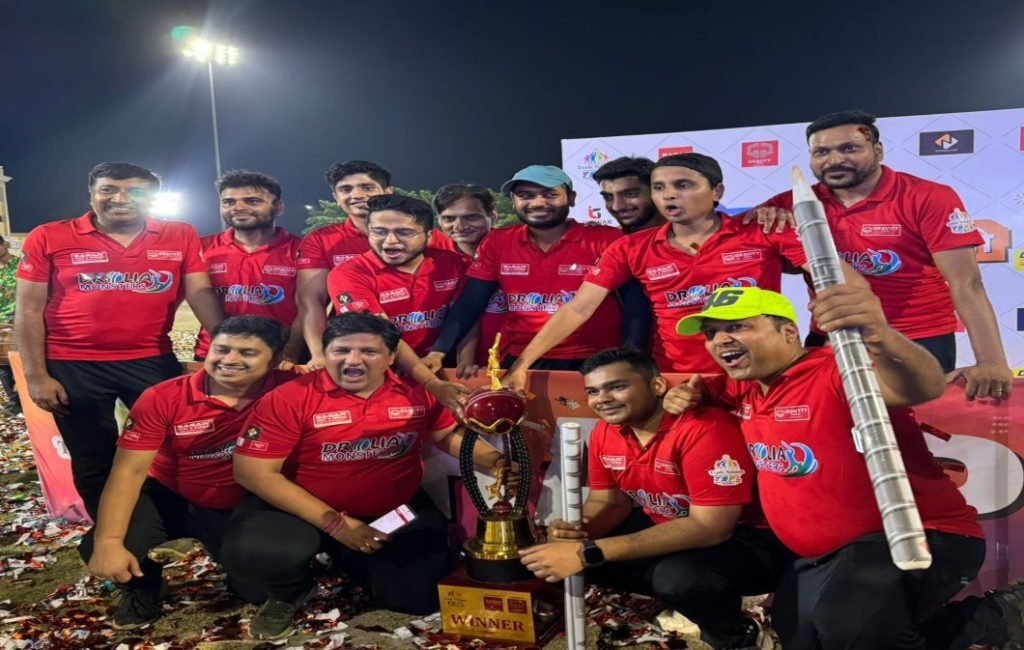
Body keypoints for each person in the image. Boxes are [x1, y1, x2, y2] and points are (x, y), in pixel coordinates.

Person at [666, 285, 1023, 650]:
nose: (720, 340)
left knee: (849, 630)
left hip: (919, 536)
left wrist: (881, 334)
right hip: (827, 558)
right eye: (710, 333)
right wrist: (684, 394)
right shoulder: (744, 387)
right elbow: (689, 387)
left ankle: (996, 615)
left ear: (788, 332)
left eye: (737, 327)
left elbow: (922, 386)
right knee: (809, 641)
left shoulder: (838, 371)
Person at [222, 312, 513, 639]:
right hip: (301, 513)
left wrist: (497, 462)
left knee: (417, 599)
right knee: (256, 558)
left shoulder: (416, 392)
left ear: (391, 357)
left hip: (390, 511)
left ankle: (348, 559)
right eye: (341, 350)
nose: (353, 360)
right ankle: (289, 591)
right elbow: (253, 474)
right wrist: (337, 525)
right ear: (325, 353)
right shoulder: (289, 397)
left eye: (369, 352)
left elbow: (444, 436)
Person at [519, 348, 791, 649]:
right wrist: (579, 530)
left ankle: (739, 635)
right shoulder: (605, 431)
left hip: (748, 537)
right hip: (674, 525)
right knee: (559, 557)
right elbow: (610, 502)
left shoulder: (705, 428)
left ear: (657, 386)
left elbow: (712, 528)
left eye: (616, 386)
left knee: (677, 580)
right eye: (593, 391)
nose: (602, 399)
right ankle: (687, 602)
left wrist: (589, 551)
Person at [502, 153, 815, 390]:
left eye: (683, 185)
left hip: (764, 375)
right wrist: (523, 364)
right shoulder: (629, 247)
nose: (668, 195)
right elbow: (578, 308)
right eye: (659, 188)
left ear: (717, 191)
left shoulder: (763, 228)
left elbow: (828, 276)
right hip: (680, 383)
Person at [758, 109, 1011, 400]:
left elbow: (966, 283)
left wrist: (991, 360)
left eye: (850, 148)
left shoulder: (928, 196)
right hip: (832, 337)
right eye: (821, 152)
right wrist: (766, 220)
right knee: (832, 423)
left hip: (916, 340)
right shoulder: (790, 204)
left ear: (877, 150)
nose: (834, 160)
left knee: (914, 425)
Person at [15, 162, 223, 516]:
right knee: (93, 457)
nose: (121, 198)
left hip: (151, 358)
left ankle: (169, 520)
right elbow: (29, 309)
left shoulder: (180, 234)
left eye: (135, 191)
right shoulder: (49, 236)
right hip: (73, 364)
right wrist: (36, 376)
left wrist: (224, 344)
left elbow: (200, 293)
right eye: (109, 189)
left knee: (175, 443)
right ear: (92, 195)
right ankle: (112, 534)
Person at [82, 316, 293, 629]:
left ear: (275, 361)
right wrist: (109, 540)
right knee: (101, 546)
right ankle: (144, 589)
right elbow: (128, 471)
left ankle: (228, 554)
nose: (229, 360)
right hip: (172, 494)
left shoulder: (291, 388)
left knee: (256, 590)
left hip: (243, 501)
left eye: (247, 353)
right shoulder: (162, 397)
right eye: (221, 349)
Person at [430, 164, 650, 370]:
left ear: (571, 198)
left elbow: (635, 303)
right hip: (521, 359)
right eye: (525, 195)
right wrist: (439, 351)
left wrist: (632, 353)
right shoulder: (498, 242)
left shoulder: (606, 239)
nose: (537, 203)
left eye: (550, 194)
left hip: (596, 359)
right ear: (513, 201)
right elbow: (471, 303)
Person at [326, 195, 468, 357]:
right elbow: (377, 334)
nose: (390, 241)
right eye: (379, 232)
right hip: (383, 363)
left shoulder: (453, 263)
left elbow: (465, 316)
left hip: (442, 359)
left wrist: (444, 356)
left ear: (429, 236)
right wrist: (422, 372)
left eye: (404, 232)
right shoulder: (347, 274)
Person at [196, 170, 303, 362]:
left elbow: (311, 307)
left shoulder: (302, 249)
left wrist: (289, 353)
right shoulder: (200, 248)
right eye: (229, 202)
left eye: (252, 201)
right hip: (215, 354)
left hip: (280, 356)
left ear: (278, 207)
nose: (238, 207)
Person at [296, 160, 394, 368]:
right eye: (346, 189)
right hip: (356, 348)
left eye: (367, 187)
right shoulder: (321, 240)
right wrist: (319, 353)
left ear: (388, 192)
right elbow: (311, 300)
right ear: (336, 198)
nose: (356, 195)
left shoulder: (424, 236)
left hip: (424, 344)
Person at [427, 183, 507, 368]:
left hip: (510, 358)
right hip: (449, 362)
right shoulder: (430, 257)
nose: (460, 226)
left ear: (493, 216)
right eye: (449, 218)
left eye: (471, 217)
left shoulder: (515, 247)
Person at [591, 156, 664, 233]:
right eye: (608, 197)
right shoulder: (612, 237)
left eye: (630, 194)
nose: (617, 207)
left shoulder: (672, 237)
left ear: (657, 191)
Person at [0, 235, 21, 415]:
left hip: (20, 322)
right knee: (3, 366)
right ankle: (14, 402)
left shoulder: (21, 265)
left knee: (23, 362)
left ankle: (29, 399)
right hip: (1, 324)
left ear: (5, 245)